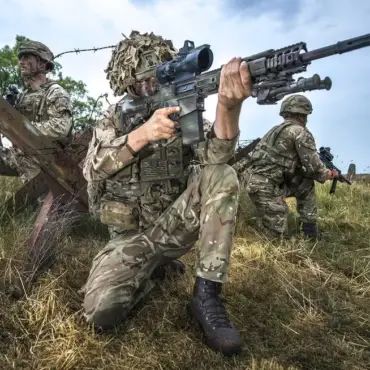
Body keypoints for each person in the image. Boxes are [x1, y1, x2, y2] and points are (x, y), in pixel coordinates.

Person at [81, 31, 252, 356]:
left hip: (174, 226)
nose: (150, 88)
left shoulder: (182, 110)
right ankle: (150, 271)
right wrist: (141, 135)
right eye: (142, 81)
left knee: (222, 175)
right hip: (128, 238)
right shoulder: (114, 117)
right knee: (100, 313)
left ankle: (207, 296)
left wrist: (228, 107)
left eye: (155, 79)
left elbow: (215, 160)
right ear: (127, 82)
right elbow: (91, 167)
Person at [244, 94, 338, 239]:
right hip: (266, 188)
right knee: (279, 238)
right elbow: (314, 168)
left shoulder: (274, 130)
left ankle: (310, 232)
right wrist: (328, 174)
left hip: (258, 184)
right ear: (302, 115)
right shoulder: (300, 132)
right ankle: (263, 225)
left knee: (305, 182)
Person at [1, 40, 72, 182]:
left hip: (49, 162)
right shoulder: (24, 95)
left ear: (42, 62)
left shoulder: (55, 92)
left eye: (27, 57)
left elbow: (60, 128)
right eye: (20, 58)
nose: (21, 62)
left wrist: (21, 127)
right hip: (23, 157)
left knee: (41, 200)